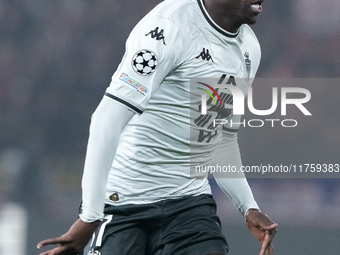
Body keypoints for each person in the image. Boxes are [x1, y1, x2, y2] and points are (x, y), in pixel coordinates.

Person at [37, 0, 278, 254]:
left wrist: (248, 206)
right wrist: (90, 216)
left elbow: (221, 139)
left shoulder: (249, 49)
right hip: (124, 203)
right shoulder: (168, 27)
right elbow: (106, 119)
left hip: (189, 205)